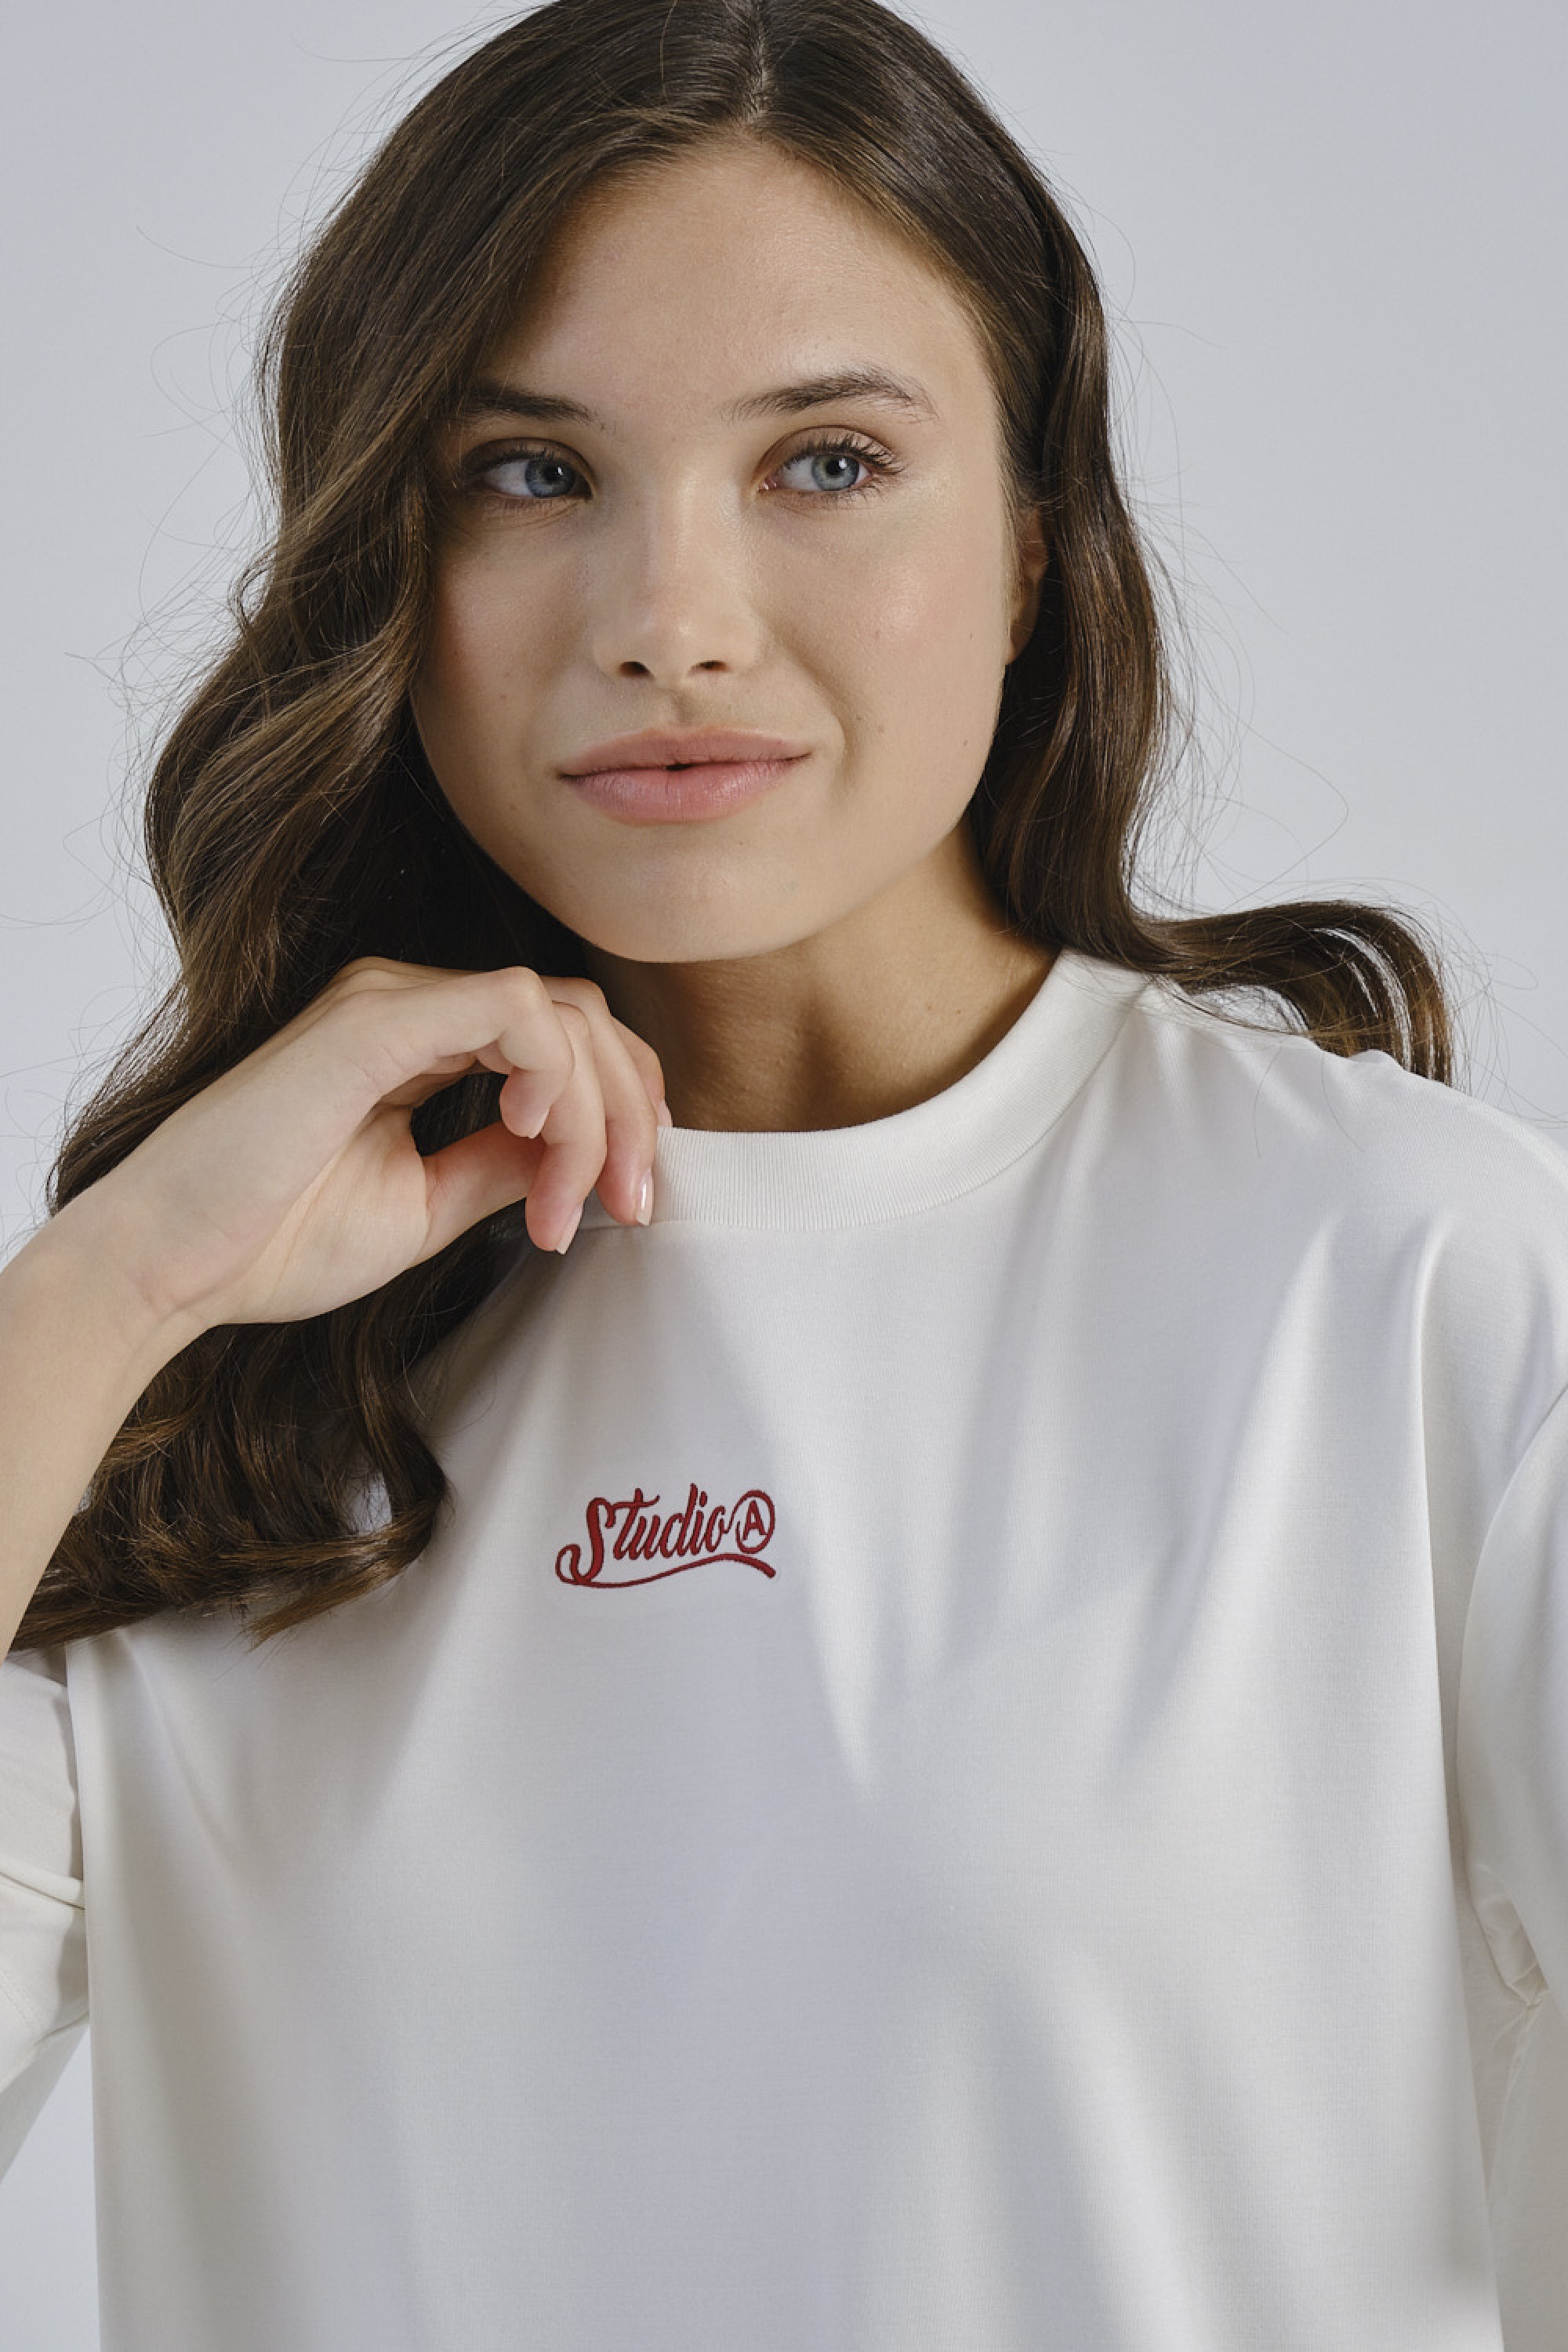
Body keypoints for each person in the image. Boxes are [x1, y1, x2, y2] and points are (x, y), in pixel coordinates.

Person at [1, 0, 1565, 2344]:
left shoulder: (1421, 1283)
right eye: (528, 473)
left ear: (1034, 549)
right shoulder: (208, 1400)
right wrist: (104, 1290)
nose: (671, 622)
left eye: (825, 461)